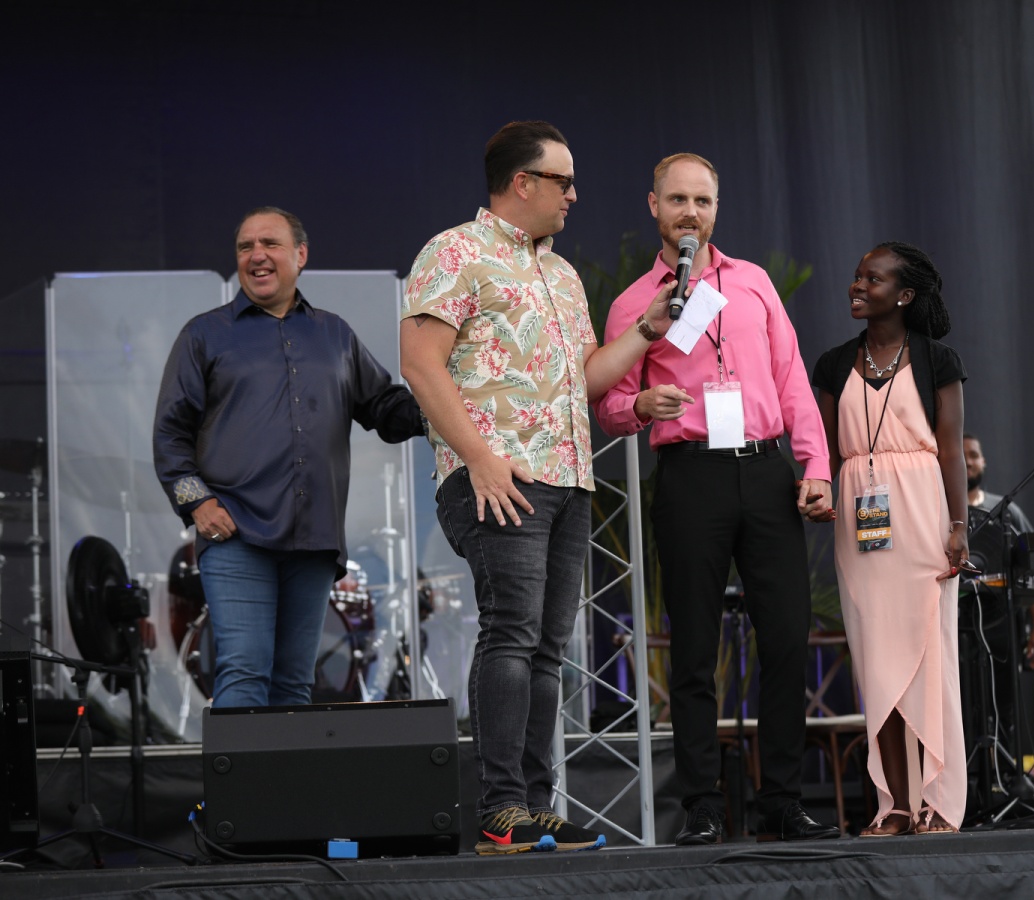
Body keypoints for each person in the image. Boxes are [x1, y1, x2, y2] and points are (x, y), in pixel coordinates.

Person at [400, 121, 677, 855]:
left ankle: (533, 805)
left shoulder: (561, 275)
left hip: (567, 477)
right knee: (512, 633)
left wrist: (646, 330)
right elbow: (420, 364)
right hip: (500, 477)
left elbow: (586, 379)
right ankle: (500, 807)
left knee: (548, 648)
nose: (574, 195)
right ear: (522, 183)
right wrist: (481, 458)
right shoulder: (455, 251)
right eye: (563, 181)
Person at [595, 153, 840, 845]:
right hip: (689, 475)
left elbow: (791, 378)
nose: (690, 213)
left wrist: (816, 464)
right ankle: (702, 805)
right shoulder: (633, 303)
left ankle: (782, 801)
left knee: (786, 640)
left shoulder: (754, 283)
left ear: (715, 209)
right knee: (695, 649)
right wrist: (641, 404)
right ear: (654, 206)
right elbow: (609, 404)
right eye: (678, 199)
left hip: (764, 471)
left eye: (702, 201)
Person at [153, 207, 425, 710]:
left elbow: (385, 409)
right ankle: (239, 769)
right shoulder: (204, 334)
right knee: (243, 670)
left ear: (301, 255)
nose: (256, 255)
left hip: (313, 537)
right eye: (245, 246)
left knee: (295, 685)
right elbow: (170, 434)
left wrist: (443, 410)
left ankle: (280, 769)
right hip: (236, 533)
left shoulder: (335, 335)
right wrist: (197, 504)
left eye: (270, 244)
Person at [811, 241, 969, 836]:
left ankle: (938, 799)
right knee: (877, 661)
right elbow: (826, 449)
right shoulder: (833, 363)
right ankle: (896, 804)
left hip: (923, 512)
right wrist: (819, 489)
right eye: (857, 276)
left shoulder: (937, 360)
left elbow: (951, 450)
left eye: (872, 279)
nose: (857, 286)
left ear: (903, 295)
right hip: (862, 520)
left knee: (930, 658)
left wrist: (960, 526)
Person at [964, 433, 1034, 671]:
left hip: (1004, 628)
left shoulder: (1006, 511)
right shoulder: (939, 511)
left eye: (974, 455)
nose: (968, 462)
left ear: (984, 461)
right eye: (960, 455)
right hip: (955, 629)